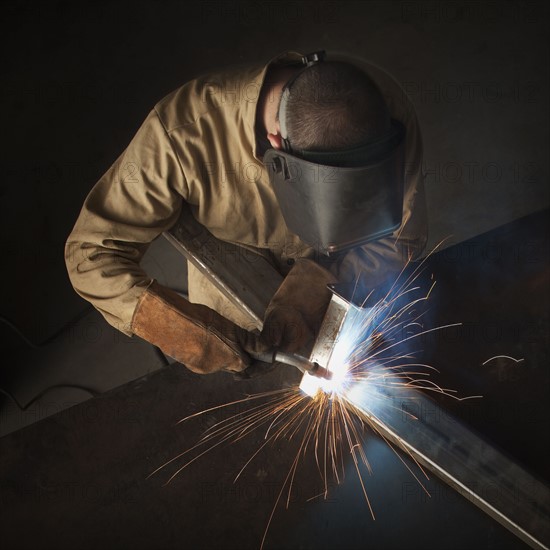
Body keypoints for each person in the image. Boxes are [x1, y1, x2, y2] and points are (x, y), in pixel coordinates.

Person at [64, 50, 427, 376]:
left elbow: (399, 240)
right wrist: (186, 330)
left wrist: (311, 297)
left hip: (344, 271)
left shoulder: (385, 111)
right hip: (234, 281)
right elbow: (90, 253)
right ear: (276, 146)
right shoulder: (181, 134)